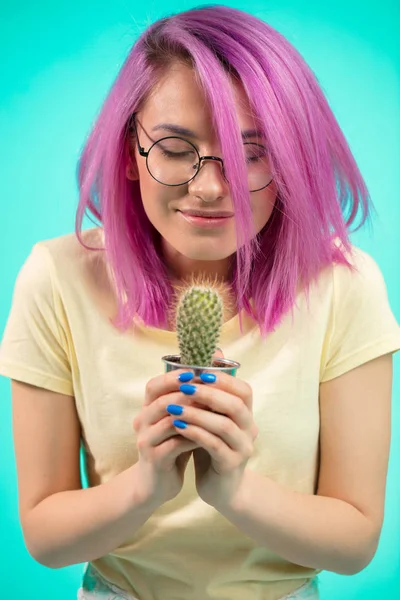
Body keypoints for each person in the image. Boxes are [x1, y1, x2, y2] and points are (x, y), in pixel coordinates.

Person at [0, 4, 399, 600]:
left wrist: (234, 489)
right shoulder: (57, 277)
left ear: (291, 160)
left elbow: (355, 542)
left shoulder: (345, 285)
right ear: (131, 151)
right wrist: (146, 485)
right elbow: (46, 537)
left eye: (253, 152)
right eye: (174, 147)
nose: (212, 186)